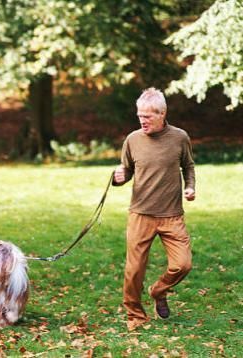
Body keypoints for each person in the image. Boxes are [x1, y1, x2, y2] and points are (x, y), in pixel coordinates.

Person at [112, 88, 195, 332]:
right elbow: (125, 170)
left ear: (162, 114)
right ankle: (135, 315)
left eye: (148, 116)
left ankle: (159, 290)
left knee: (183, 264)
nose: (142, 120)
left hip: (171, 216)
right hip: (141, 214)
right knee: (134, 269)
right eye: (140, 116)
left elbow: (188, 166)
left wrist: (190, 187)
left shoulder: (180, 138)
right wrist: (118, 177)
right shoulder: (132, 140)